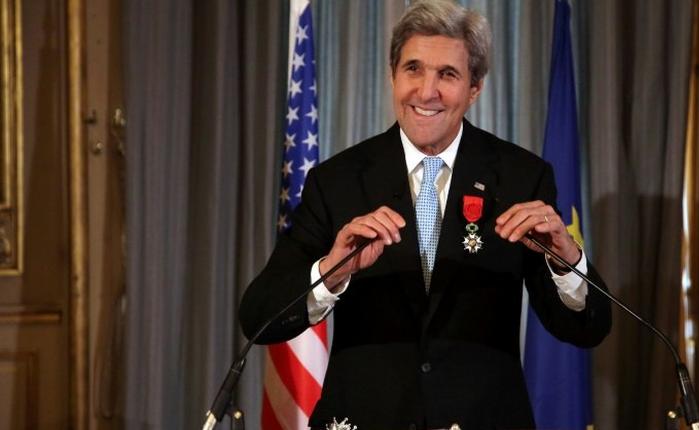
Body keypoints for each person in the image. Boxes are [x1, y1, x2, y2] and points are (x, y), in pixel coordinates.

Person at [239, 1, 611, 429]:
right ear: (392, 75)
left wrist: (566, 261)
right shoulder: (338, 180)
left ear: (475, 88)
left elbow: (586, 328)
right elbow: (259, 317)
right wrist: (330, 272)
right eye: (413, 69)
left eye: (447, 74)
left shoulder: (520, 178)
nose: (426, 91)